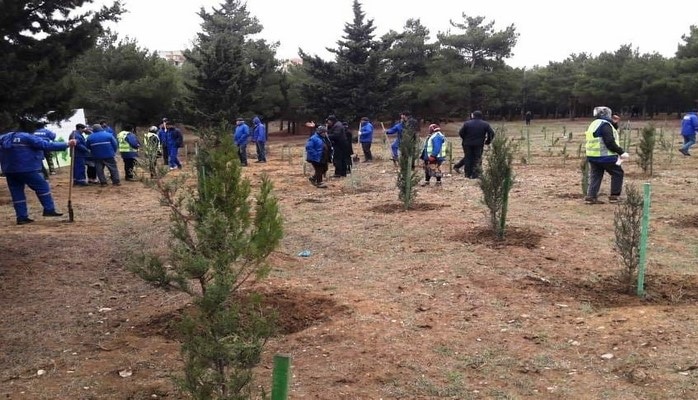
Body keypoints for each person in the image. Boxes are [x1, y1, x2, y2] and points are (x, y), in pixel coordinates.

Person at [0, 119, 76, 225]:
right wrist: (67, 144)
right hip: (27, 168)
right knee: (42, 186)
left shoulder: (4, 137)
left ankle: (21, 217)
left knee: (17, 193)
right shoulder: (27, 137)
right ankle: (49, 209)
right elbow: (46, 145)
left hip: (9, 170)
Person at [584, 106, 628, 204]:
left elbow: (603, 133)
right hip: (605, 156)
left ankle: (591, 197)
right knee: (617, 173)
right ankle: (614, 196)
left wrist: (614, 124)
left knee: (596, 175)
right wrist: (621, 152)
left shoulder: (594, 124)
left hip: (592, 156)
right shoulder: (605, 125)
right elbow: (609, 141)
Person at [454, 110, 494, 179]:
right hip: (479, 144)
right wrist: (488, 141)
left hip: (467, 144)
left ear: (473, 116)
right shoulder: (485, 124)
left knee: (468, 158)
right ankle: (476, 174)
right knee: (477, 158)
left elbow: (461, 133)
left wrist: (465, 139)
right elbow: (491, 133)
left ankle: (468, 174)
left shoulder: (467, 123)